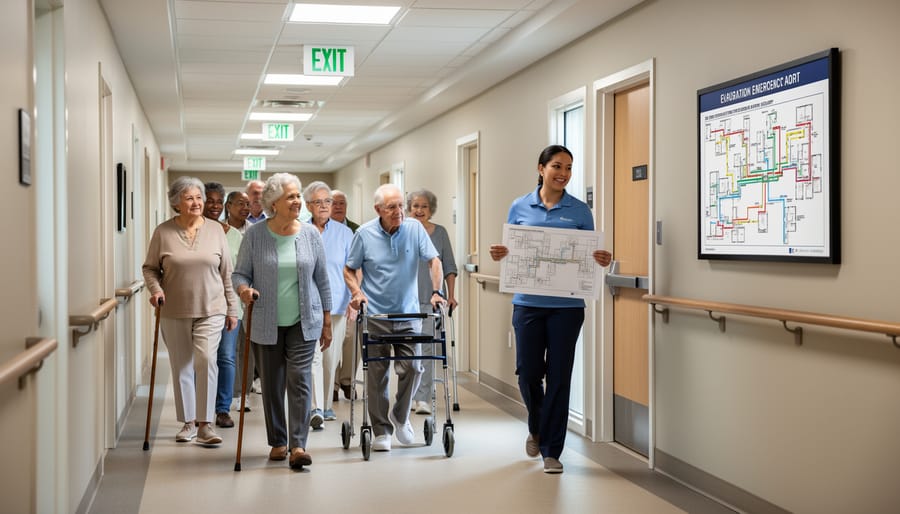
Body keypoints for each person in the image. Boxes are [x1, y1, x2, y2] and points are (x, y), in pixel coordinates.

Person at [488, 145, 612, 474]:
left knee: (559, 377)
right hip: (528, 304)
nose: (564, 173)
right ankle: (536, 425)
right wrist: (501, 254)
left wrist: (602, 260)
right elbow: (511, 249)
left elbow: (591, 255)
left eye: (569, 168)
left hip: (567, 308)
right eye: (557, 166)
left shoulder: (580, 211)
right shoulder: (519, 206)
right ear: (541, 168)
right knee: (528, 374)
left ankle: (552, 451)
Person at [232, 173, 333, 469]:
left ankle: (298, 445)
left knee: (300, 380)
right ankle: (278, 441)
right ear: (274, 203)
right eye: (291, 196)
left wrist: (326, 319)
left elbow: (322, 279)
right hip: (265, 320)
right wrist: (244, 289)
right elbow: (240, 273)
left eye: (298, 195)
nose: (298, 201)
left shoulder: (311, 234)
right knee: (273, 383)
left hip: (305, 321)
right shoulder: (256, 234)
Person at [343, 184, 445, 452]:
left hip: (409, 314)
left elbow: (434, 261)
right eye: (392, 207)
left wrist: (436, 291)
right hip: (376, 315)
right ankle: (381, 430)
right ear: (378, 210)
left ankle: (400, 417)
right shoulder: (364, 234)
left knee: (413, 367)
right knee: (377, 374)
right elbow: (349, 269)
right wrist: (357, 293)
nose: (399, 211)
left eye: (401, 205)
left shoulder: (414, 228)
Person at [142, 176, 239, 446]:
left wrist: (232, 308)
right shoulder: (163, 232)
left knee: (206, 360)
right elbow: (150, 268)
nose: (197, 203)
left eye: (199, 197)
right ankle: (188, 423)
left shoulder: (217, 230)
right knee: (181, 366)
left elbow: (227, 273)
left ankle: (206, 424)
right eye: (189, 198)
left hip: (212, 308)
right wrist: (156, 290)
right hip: (174, 309)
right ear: (177, 203)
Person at [303, 181, 354, 426]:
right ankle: (315, 408)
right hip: (307, 304)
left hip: (337, 304)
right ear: (308, 206)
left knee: (329, 358)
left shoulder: (345, 233)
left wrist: (354, 298)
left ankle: (326, 405)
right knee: (312, 356)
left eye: (327, 202)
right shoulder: (300, 230)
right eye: (318, 202)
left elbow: (352, 268)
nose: (323, 206)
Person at [406, 189, 458, 415]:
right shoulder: (403, 231)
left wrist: (451, 294)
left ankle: (423, 398)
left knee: (426, 349)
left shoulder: (440, 233)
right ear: (409, 208)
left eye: (424, 206)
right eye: (415, 206)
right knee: (408, 350)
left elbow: (449, 267)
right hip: (405, 301)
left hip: (432, 299)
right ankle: (407, 394)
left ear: (431, 209)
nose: (419, 210)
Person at [202, 182, 238, 429]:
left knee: (226, 357)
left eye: (218, 201)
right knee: (203, 359)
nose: (214, 205)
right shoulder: (196, 232)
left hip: (230, 306)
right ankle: (200, 409)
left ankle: (222, 409)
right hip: (202, 306)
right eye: (209, 200)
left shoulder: (234, 235)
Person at [331, 189, 360, 402]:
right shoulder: (318, 229)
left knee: (351, 339)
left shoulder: (357, 231)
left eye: (342, 203)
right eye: (334, 203)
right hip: (331, 293)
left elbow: (359, 265)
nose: (338, 206)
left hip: (351, 293)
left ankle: (348, 381)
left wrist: (356, 293)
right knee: (331, 342)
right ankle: (331, 385)